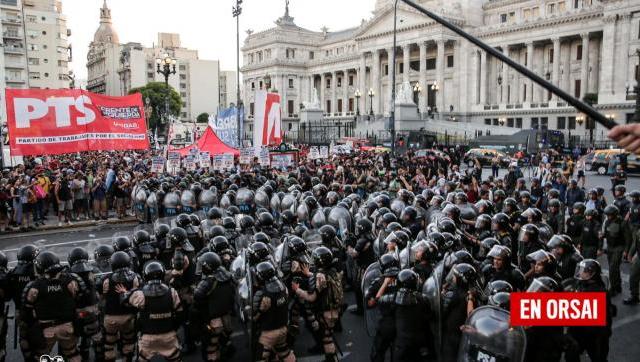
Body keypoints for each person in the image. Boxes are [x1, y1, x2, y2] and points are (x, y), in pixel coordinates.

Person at [22, 251, 84, 362]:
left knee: (41, 357)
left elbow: (27, 307)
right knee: (72, 354)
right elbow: (79, 297)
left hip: (46, 329)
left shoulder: (35, 287)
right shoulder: (70, 282)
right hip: (67, 326)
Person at [119, 261, 182, 362]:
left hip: (148, 338)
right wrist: (173, 328)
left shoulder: (140, 294)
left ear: (145, 275)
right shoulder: (172, 292)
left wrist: (125, 293)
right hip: (169, 335)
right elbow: (180, 314)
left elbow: (124, 300)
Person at [293, 247, 343, 362]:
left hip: (327, 313)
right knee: (328, 336)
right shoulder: (333, 271)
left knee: (326, 338)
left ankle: (331, 359)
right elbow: (323, 280)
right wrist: (309, 273)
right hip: (335, 310)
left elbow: (312, 297)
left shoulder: (320, 275)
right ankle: (332, 358)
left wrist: (298, 290)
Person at [566, 260, 613, 362]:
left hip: (595, 333)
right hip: (580, 329)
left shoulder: (599, 292)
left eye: (584, 271)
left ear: (591, 273)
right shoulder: (582, 284)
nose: (580, 272)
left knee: (598, 357)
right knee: (571, 353)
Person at [193, 252, 235, 361]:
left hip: (213, 322)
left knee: (210, 348)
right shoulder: (227, 276)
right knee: (224, 342)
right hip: (227, 318)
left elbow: (197, 298)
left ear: (207, 266)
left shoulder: (207, 282)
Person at [101, 251, 141, 362]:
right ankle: (127, 358)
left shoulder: (107, 279)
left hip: (111, 317)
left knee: (109, 343)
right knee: (129, 341)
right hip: (129, 316)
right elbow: (137, 294)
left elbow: (103, 296)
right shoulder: (135, 277)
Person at [252, 261, 296, 362]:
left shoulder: (261, 294)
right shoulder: (283, 288)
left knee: (260, 357)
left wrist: (259, 311)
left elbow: (254, 317)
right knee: (285, 353)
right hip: (283, 329)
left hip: (268, 333)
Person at [603, 205, 629, 296]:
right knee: (613, 268)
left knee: (613, 268)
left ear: (614, 214)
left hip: (618, 248)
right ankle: (618, 286)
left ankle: (613, 288)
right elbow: (606, 234)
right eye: (607, 215)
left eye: (609, 214)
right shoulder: (607, 222)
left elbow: (627, 238)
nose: (608, 216)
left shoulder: (622, 223)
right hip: (610, 247)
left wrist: (626, 251)